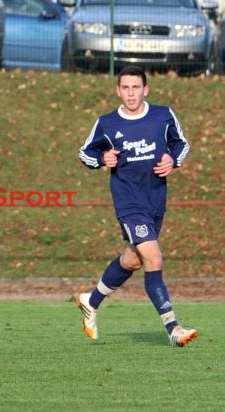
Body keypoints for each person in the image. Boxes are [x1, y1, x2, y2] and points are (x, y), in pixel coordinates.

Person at [77, 65, 198, 347]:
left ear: (146, 89)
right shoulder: (107, 123)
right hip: (129, 202)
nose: (131, 93)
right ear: (118, 91)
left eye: (136, 87)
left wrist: (173, 160)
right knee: (153, 259)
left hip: (155, 201)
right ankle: (173, 329)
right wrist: (103, 159)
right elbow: (86, 153)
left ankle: (91, 301)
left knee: (132, 259)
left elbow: (181, 145)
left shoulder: (163, 116)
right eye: (125, 88)